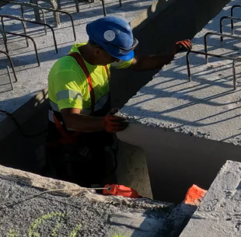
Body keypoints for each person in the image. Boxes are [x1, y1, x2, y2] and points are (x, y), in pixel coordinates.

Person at [46, 16, 190, 186]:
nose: (116, 60)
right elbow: (71, 120)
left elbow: (139, 62)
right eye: (114, 56)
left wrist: (172, 57)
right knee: (82, 187)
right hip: (72, 143)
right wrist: (104, 124)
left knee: (102, 175)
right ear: (98, 50)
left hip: (94, 133)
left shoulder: (99, 58)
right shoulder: (68, 73)